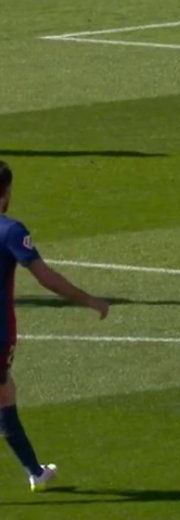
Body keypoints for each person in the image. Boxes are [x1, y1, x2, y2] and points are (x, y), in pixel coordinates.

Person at [0, 161, 109, 492]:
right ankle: (35, 472)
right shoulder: (11, 231)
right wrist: (88, 299)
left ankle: (36, 472)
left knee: (5, 393)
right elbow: (46, 278)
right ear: (6, 193)